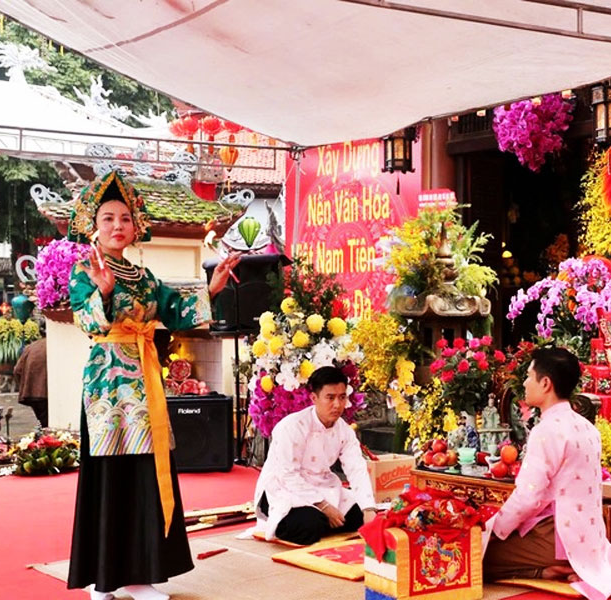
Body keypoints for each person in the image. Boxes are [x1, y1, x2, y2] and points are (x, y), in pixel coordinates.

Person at [65, 170, 239, 600]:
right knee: (110, 476)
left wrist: (211, 289)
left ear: (135, 225)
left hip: (144, 383)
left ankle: (141, 575)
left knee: (144, 473)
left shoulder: (144, 277)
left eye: (124, 218)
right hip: (107, 385)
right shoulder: (84, 270)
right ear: (94, 225)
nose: (117, 226)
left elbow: (177, 309)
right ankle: (103, 581)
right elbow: (86, 319)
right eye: (108, 218)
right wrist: (102, 293)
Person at [484, 347, 611, 600]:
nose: (526, 383)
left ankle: (543, 570)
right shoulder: (587, 428)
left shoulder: (547, 430)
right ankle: (551, 567)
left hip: (555, 537)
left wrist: (494, 528)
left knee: (474, 556)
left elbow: (529, 498)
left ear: (545, 383)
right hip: (589, 536)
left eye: (529, 376)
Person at [252, 365, 377, 545]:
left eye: (342, 397)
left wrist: (369, 509)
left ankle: (323, 518)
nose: (337, 404)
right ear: (314, 398)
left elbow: (356, 468)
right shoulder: (291, 427)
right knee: (309, 526)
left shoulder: (344, 430)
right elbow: (287, 475)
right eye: (330, 397)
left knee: (358, 516)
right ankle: (296, 520)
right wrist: (325, 507)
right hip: (283, 488)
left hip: (322, 485)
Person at [14, 332, 48, 427]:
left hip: (31, 392)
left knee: (43, 421)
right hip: (48, 393)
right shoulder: (54, 345)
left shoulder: (31, 347)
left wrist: (24, 386)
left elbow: (17, 370)